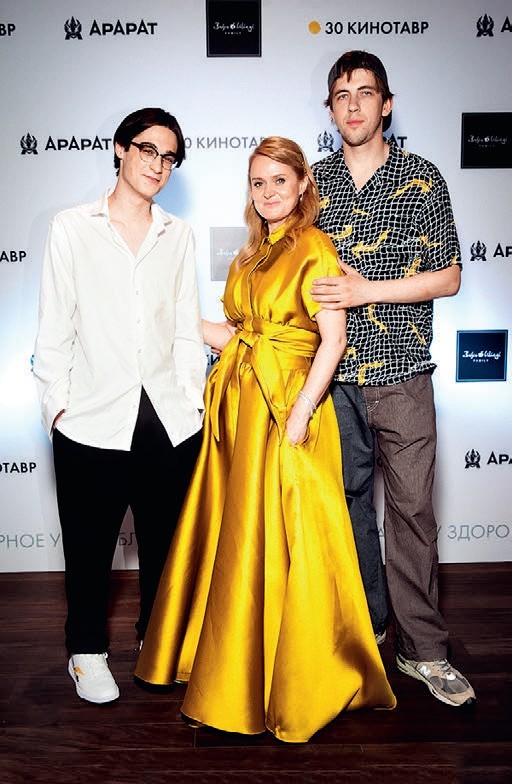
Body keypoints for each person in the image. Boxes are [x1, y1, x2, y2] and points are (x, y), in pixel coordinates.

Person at [134, 137, 396, 743]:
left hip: (286, 409)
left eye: (280, 180)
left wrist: (302, 412)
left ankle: (292, 678)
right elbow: (238, 337)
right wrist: (168, 316)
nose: (269, 192)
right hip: (240, 412)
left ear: (303, 184)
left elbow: (332, 340)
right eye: (258, 183)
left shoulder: (316, 248)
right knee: (243, 537)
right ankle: (234, 664)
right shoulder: (249, 256)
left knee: (288, 540)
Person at [310, 50, 475, 707]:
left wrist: (365, 290)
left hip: (402, 373)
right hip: (332, 378)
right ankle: (366, 631)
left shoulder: (423, 178)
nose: (353, 105)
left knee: (411, 514)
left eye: (365, 92)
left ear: (387, 103)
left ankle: (423, 651)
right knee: (346, 511)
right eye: (341, 95)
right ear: (330, 110)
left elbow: (450, 276)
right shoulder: (312, 184)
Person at [33, 107, 206, 704]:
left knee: (164, 550)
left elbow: (185, 327)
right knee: (88, 551)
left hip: (167, 418)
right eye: (148, 150)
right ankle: (86, 652)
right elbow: (54, 330)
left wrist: (192, 404)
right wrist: (58, 410)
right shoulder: (70, 227)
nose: (158, 164)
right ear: (120, 149)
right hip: (90, 418)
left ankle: (156, 644)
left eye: (169, 157)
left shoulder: (177, 234)